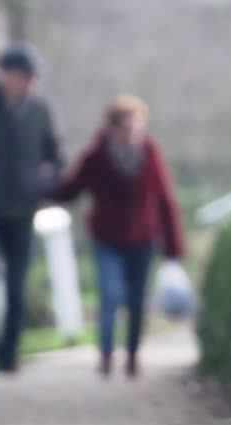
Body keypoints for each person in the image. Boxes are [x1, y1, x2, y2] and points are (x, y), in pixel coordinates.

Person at [51, 94, 185, 378]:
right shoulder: (97, 155)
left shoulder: (150, 153)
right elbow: (72, 188)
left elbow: (164, 199)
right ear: (113, 128)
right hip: (107, 238)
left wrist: (173, 249)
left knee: (137, 300)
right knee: (110, 295)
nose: (133, 133)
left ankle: (133, 354)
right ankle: (106, 353)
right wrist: (41, 183)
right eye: (127, 128)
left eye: (137, 127)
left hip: (143, 239)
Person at [0, 43, 63, 374]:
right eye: (22, 76)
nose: (26, 82)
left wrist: (46, 181)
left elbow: (53, 155)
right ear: (7, 76)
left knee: (16, 283)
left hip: (23, 210)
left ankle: (8, 354)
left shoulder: (39, 111)